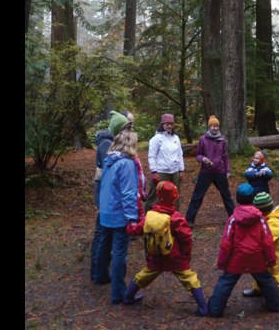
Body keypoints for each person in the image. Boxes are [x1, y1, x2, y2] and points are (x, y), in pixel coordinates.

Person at [120, 181, 208, 315]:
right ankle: (203, 308)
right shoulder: (176, 218)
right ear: (175, 197)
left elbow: (137, 230)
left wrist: (128, 227)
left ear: (157, 196)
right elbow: (186, 238)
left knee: (143, 275)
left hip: (155, 256)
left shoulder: (150, 216)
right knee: (190, 278)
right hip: (175, 258)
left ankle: (128, 297)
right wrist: (186, 255)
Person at [207, 184, 279, 317]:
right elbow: (267, 241)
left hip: (237, 257)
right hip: (256, 256)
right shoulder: (260, 218)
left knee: (226, 281)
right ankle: (276, 305)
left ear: (237, 199)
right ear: (253, 198)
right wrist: (271, 260)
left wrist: (222, 262)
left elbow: (226, 243)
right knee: (266, 280)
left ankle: (215, 309)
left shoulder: (233, 219)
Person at [97, 116, 141, 304]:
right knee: (119, 253)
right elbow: (129, 193)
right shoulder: (127, 164)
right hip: (118, 214)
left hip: (105, 211)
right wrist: (132, 218)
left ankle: (99, 275)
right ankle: (118, 293)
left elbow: (104, 186)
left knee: (103, 245)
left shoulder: (109, 160)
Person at [242, 192, 279, 308]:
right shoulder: (276, 216)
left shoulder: (274, 222)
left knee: (278, 277)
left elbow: (267, 240)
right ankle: (258, 289)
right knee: (261, 269)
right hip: (272, 253)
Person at [184, 116, 235, 226]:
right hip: (206, 172)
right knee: (197, 195)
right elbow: (198, 154)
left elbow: (225, 156)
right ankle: (189, 220)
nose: (215, 128)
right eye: (213, 126)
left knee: (226, 195)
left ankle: (234, 218)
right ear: (209, 127)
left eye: (217, 126)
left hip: (220, 171)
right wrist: (203, 159)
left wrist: (228, 170)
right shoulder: (203, 139)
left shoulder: (222, 139)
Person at [89, 119, 116, 284]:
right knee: (102, 234)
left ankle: (99, 271)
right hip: (105, 196)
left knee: (104, 234)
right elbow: (108, 170)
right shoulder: (106, 144)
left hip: (105, 195)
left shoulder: (106, 142)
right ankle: (98, 272)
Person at [145, 113, 185, 210]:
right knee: (155, 195)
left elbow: (180, 154)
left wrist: (181, 169)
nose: (169, 126)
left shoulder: (176, 138)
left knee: (175, 195)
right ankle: (147, 217)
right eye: (167, 124)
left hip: (174, 171)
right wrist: (154, 171)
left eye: (171, 124)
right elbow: (152, 156)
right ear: (162, 124)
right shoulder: (156, 139)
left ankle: (175, 219)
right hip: (161, 171)